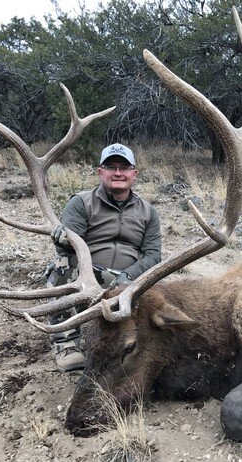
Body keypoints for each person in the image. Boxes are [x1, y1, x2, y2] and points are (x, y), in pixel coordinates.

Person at [46, 143, 162, 371]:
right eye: (111, 167)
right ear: (100, 171)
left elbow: (153, 255)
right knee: (62, 265)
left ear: (134, 174)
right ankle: (66, 343)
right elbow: (69, 250)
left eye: (124, 167)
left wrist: (129, 275)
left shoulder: (148, 211)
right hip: (91, 277)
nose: (118, 173)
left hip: (130, 280)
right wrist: (62, 240)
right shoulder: (81, 202)